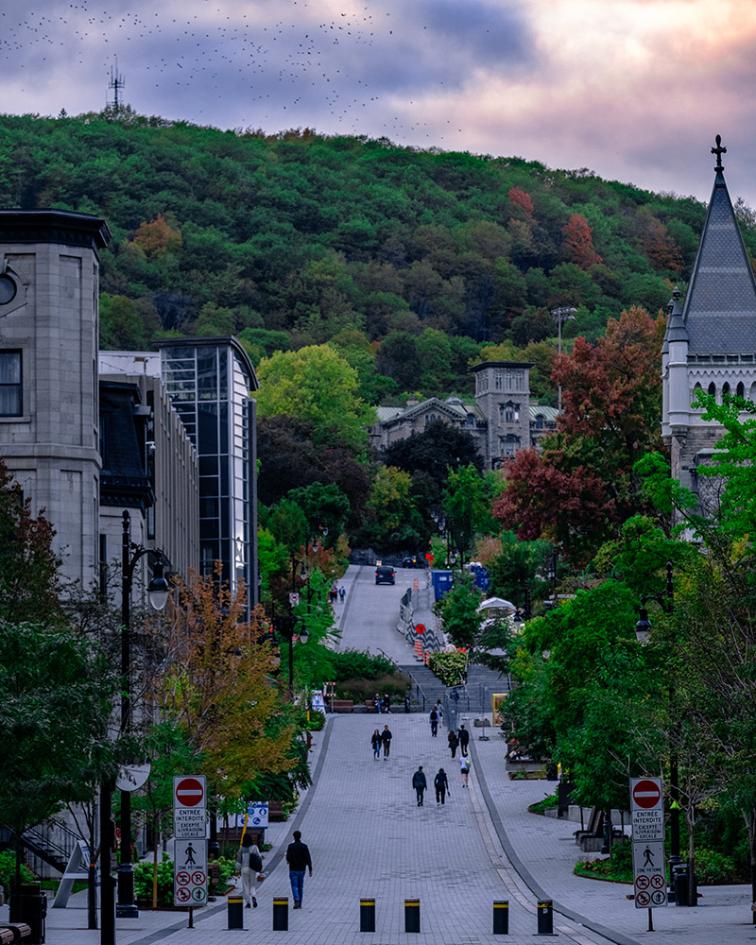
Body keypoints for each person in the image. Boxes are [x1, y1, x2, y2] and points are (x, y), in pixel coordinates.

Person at [285, 829, 313, 909]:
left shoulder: (290, 846)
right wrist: (310, 869)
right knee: (300, 886)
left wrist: (289, 861)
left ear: (293, 837)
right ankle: (300, 902)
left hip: (293, 869)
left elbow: (288, 857)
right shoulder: (304, 846)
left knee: (294, 886)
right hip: (302, 869)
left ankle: (296, 900)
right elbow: (308, 858)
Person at [235, 834, 263, 909]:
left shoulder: (241, 849)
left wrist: (237, 870)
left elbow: (238, 861)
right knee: (252, 885)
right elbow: (259, 857)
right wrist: (260, 870)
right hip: (253, 869)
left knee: (245, 886)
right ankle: (253, 896)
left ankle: (248, 902)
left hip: (244, 869)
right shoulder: (254, 848)